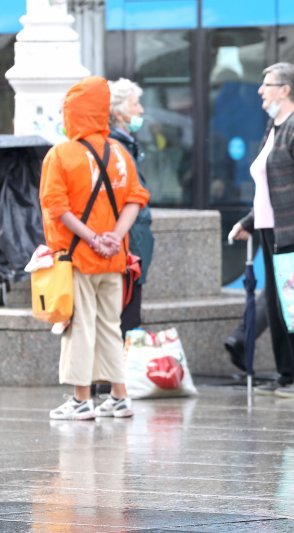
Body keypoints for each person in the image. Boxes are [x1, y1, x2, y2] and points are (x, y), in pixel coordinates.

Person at [39, 76, 150, 420]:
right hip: (115, 257)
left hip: (78, 257)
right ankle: (119, 395)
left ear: (74, 113)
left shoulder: (61, 154)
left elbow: (56, 207)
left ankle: (81, 398)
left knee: (80, 326)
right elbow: (136, 198)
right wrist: (114, 237)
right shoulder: (118, 152)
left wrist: (91, 238)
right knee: (109, 326)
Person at [227, 62, 294, 398]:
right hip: (271, 229)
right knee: (278, 304)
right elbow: (267, 188)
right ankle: (287, 374)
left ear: (285, 89)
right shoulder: (275, 127)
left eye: (266, 84)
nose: (260, 90)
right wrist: (247, 222)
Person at [108, 78, 155, 339]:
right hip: (130, 245)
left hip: (131, 242)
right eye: (135, 104)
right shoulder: (120, 149)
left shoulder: (125, 146)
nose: (141, 111)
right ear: (117, 112)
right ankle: (119, 378)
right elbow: (132, 198)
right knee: (128, 312)